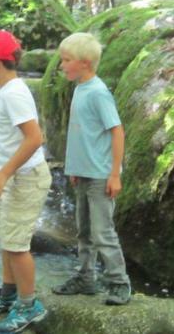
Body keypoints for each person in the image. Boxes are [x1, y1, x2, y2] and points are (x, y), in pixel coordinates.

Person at [0, 30, 53, 334]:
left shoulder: (14, 93)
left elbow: (34, 138)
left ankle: (29, 306)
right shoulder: (5, 90)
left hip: (25, 178)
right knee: (6, 238)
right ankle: (8, 294)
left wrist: (4, 173)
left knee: (17, 245)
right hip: (16, 177)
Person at [53, 32, 132, 306]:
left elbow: (117, 131)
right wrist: (74, 167)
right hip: (83, 173)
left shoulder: (98, 92)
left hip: (101, 176)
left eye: (66, 60)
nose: (62, 65)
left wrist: (114, 174)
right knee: (84, 231)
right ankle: (86, 278)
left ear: (85, 63)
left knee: (103, 232)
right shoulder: (80, 88)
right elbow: (82, 134)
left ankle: (119, 283)